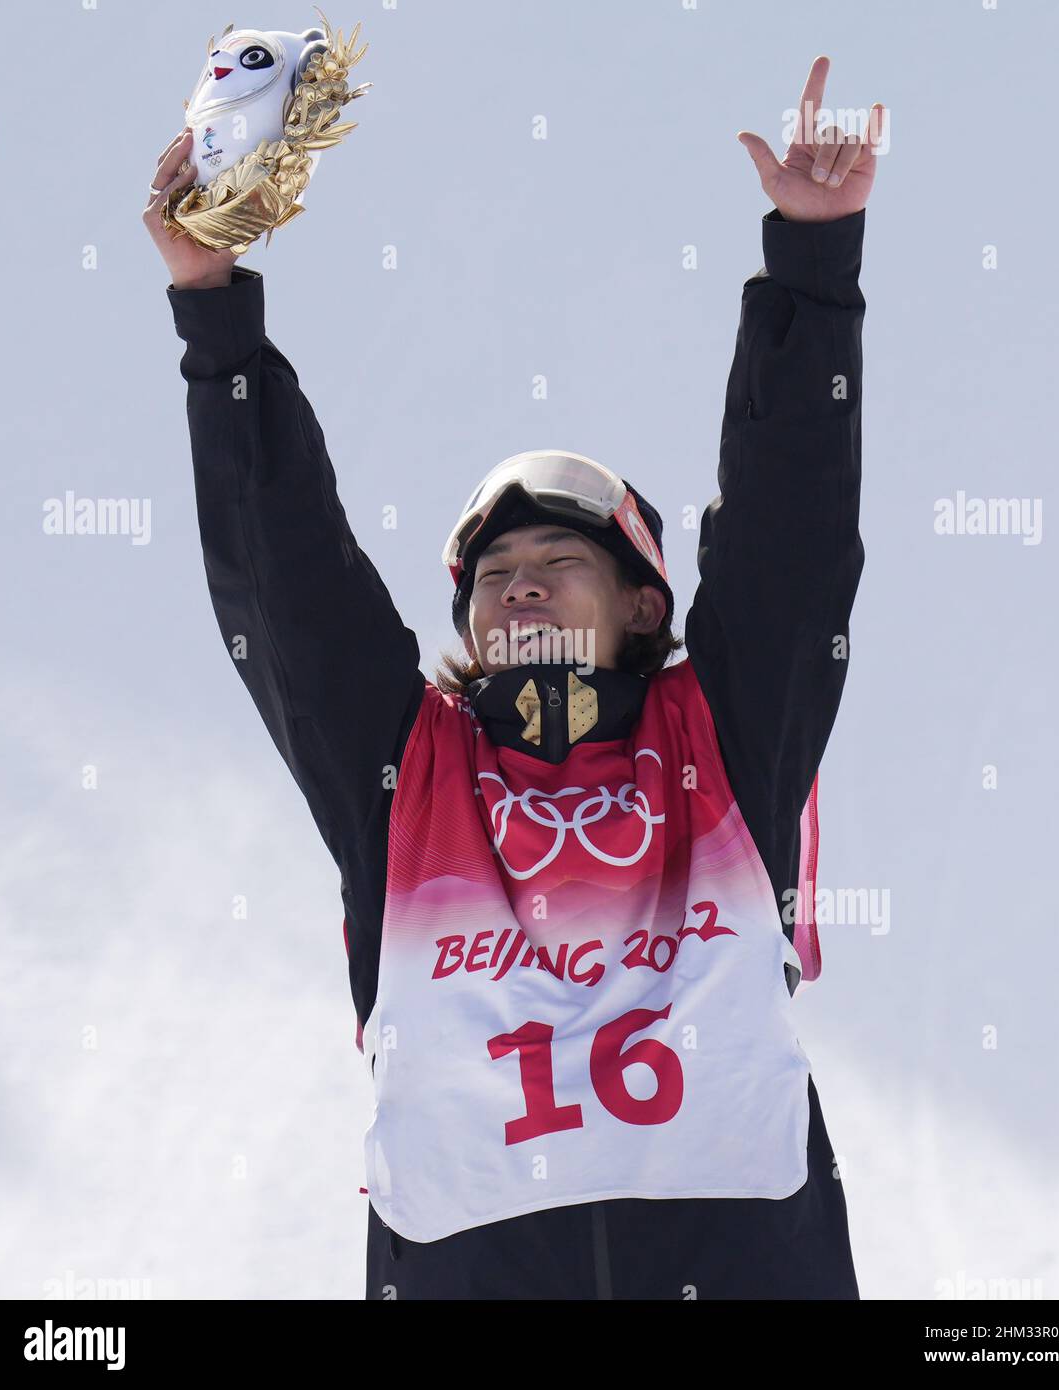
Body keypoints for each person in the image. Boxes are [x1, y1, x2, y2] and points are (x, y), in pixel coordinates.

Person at [145, 55, 877, 1300]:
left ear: (647, 604)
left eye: (556, 559)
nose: (520, 586)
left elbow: (791, 540)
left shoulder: (722, 742)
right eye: (494, 577)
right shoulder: (408, 769)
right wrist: (213, 307)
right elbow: (289, 586)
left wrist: (813, 268)